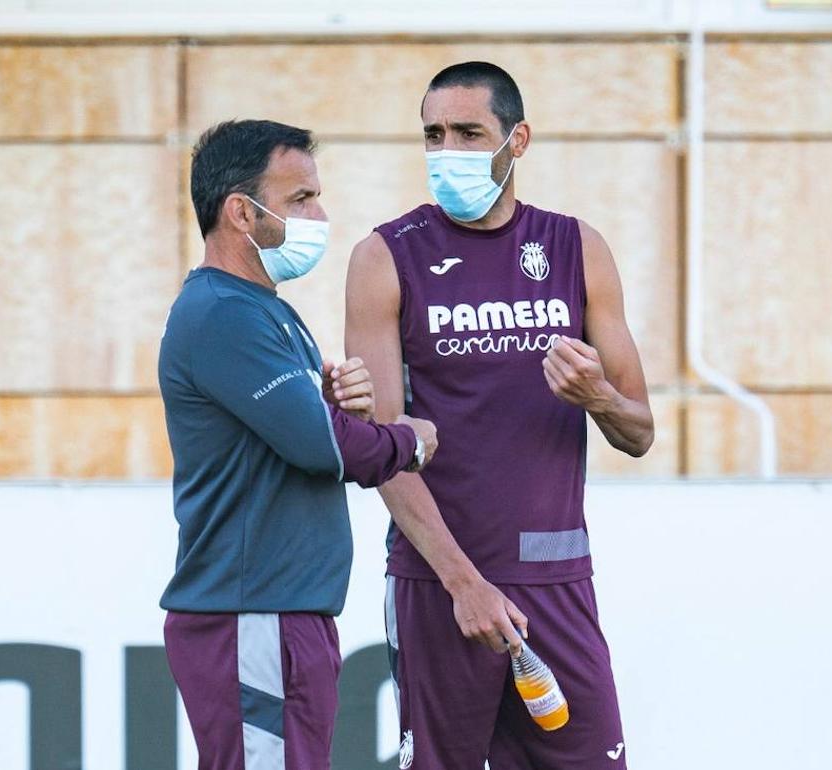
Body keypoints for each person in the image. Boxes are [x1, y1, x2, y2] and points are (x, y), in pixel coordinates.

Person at [345, 62, 654, 769]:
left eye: (467, 132)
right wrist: (463, 582)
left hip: (557, 584)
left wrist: (597, 398)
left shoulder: (579, 247)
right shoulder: (385, 256)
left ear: (517, 141)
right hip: (440, 585)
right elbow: (379, 445)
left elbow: (640, 430)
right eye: (433, 134)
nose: (446, 150)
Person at [158, 119, 438, 770]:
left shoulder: (266, 309)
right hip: (253, 611)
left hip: (283, 610)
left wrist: (340, 411)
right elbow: (323, 449)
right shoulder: (223, 313)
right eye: (300, 199)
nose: (321, 213)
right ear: (240, 212)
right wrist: (408, 441)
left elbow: (312, 433)